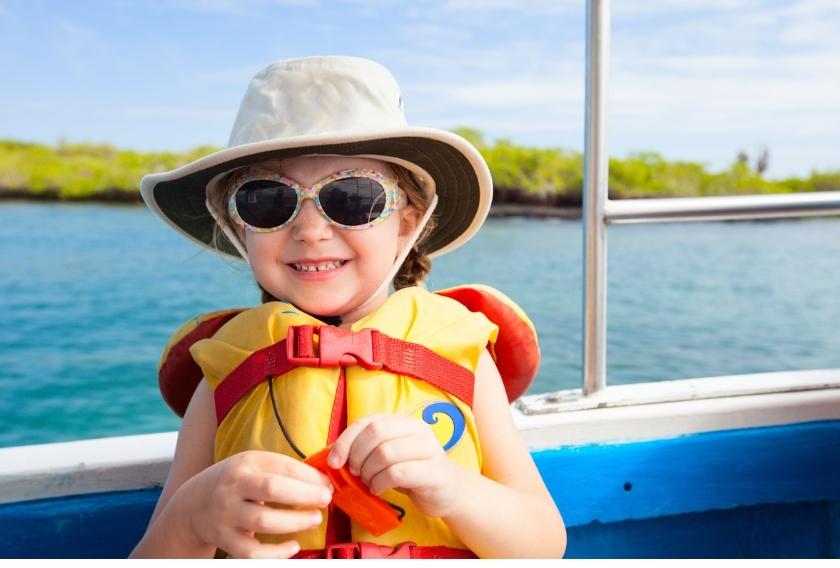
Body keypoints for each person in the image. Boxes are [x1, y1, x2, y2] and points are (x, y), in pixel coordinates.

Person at [130, 56, 566, 559]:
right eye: (267, 200)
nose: (311, 230)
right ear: (238, 227)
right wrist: (190, 521)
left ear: (407, 222)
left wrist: (453, 488)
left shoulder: (463, 353)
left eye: (354, 197)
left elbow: (545, 544)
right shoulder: (225, 367)